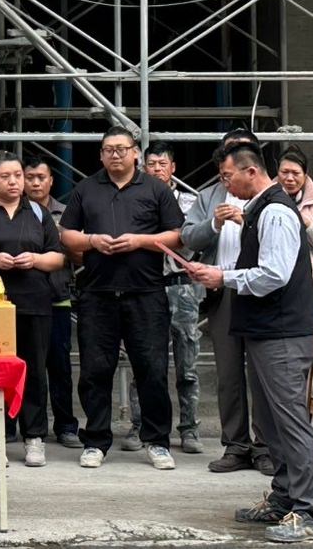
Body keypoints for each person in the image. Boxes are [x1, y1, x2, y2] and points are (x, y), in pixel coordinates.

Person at [188, 144, 313, 543]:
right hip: (265, 331)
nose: (225, 185)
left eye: (228, 176)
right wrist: (217, 272)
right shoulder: (259, 210)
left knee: (290, 422)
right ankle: (284, 498)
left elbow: (274, 275)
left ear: (251, 172)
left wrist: (223, 278)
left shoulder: (276, 212)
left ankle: (308, 513)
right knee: (271, 422)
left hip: (283, 334)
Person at [59, 127, 184, 471]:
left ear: (135, 153)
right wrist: (92, 241)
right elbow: (67, 235)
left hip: (146, 294)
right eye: (108, 150)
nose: (115, 155)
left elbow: (178, 236)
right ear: (101, 155)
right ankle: (96, 440)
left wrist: (140, 241)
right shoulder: (86, 189)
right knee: (95, 371)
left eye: (122, 149)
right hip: (97, 294)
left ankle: (157, 441)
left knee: (152, 370)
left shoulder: (156, 189)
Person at [0, 152, 64, 468]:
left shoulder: (38, 212)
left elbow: (58, 257)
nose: (14, 182)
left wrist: (35, 259)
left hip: (35, 303)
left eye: (18, 175)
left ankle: (34, 437)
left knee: (34, 371)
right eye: (5, 176)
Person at [181, 128, 274, 476]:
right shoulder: (209, 196)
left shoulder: (270, 196)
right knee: (228, 373)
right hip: (223, 291)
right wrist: (214, 224)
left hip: (261, 292)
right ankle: (236, 445)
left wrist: (245, 220)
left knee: (263, 373)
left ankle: (265, 446)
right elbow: (188, 236)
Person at [122, 141, 205, 455]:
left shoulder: (190, 202)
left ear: (173, 168)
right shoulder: (133, 198)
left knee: (187, 363)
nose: (156, 169)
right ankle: (140, 425)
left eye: (162, 164)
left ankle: (190, 428)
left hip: (181, 286)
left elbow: (192, 240)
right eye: (151, 164)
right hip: (145, 286)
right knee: (144, 360)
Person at [23, 156, 82, 449]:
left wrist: (65, 242)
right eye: (30, 177)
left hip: (57, 298)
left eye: (41, 177)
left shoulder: (65, 213)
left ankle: (66, 426)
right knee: (25, 366)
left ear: (51, 181)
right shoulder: (15, 213)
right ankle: (26, 426)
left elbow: (78, 255)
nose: (35, 183)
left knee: (59, 367)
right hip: (22, 300)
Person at [276, 147, 313, 288]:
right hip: (277, 279)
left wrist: (308, 225)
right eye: (284, 172)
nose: (289, 178)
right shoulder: (265, 198)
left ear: (305, 174)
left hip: (311, 281)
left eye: (296, 173)